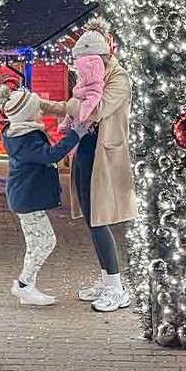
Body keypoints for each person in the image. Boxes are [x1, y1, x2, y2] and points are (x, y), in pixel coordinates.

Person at [40, 24, 137, 313]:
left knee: (99, 221)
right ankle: (107, 280)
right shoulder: (91, 80)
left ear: (100, 59)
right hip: (85, 152)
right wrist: (46, 105)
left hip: (104, 158)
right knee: (91, 221)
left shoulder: (119, 79)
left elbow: (94, 110)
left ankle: (117, 289)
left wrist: (73, 104)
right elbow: (74, 105)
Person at [0, 82, 89, 307]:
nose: (41, 112)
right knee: (46, 241)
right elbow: (51, 155)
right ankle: (24, 284)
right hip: (27, 199)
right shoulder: (25, 139)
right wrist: (76, 134)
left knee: (35, 243)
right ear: (27, 116)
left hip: (23, 197)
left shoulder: (19, 134)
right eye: (37, 110)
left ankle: (28, 288)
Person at [57, 53, 105, 135]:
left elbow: (89, 104)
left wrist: (80, 119)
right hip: (73, 111)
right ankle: (67, 124)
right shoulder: (82, 82)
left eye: (81, 73)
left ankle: (69, 124)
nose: (80, 75)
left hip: (80, 117)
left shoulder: (94, 87)